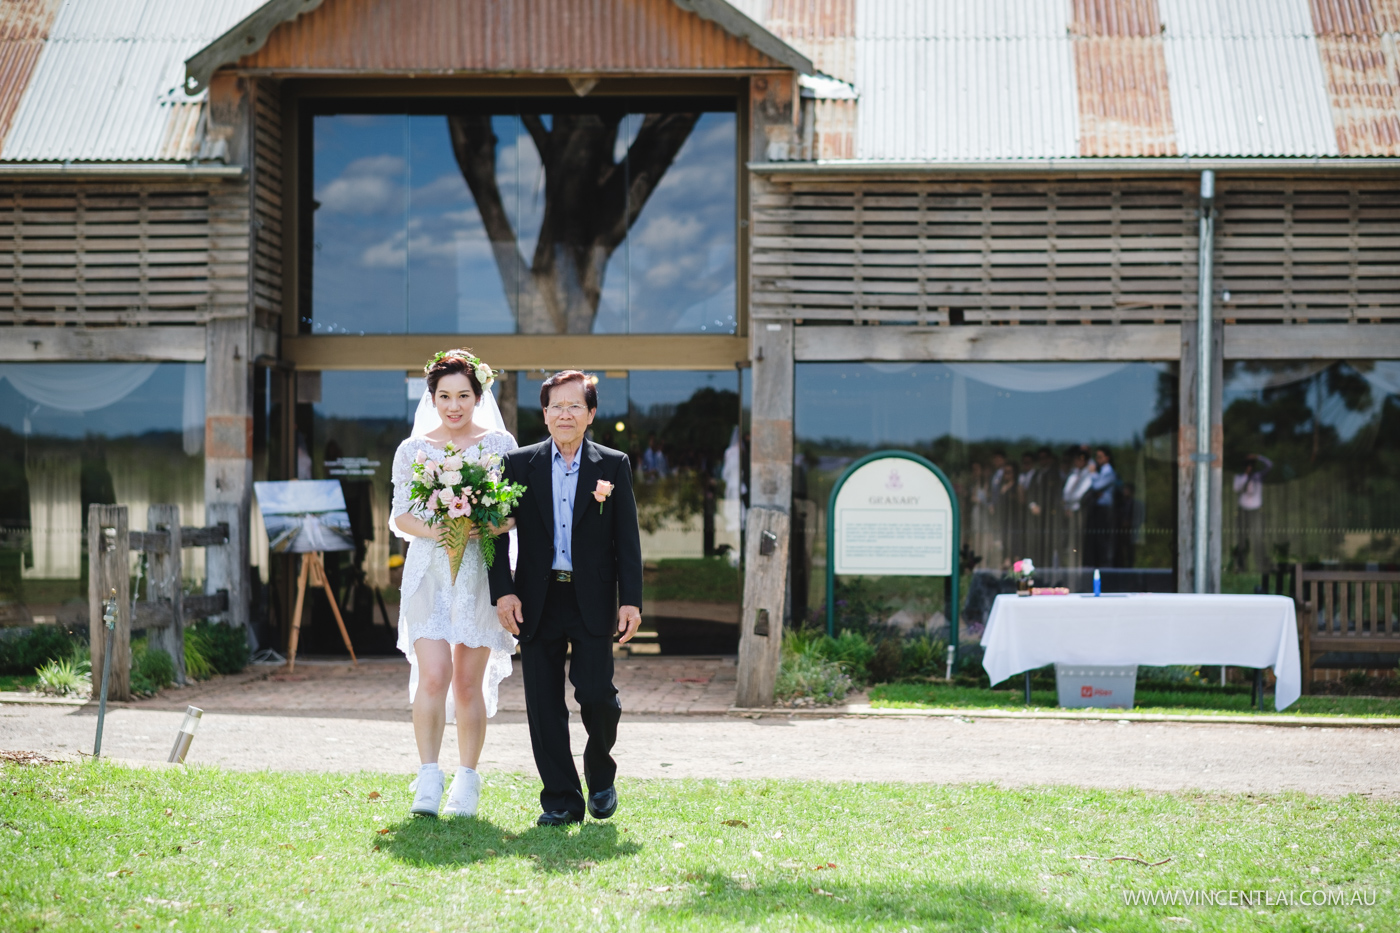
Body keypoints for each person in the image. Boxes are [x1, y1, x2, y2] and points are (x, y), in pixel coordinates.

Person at [489, 371, 644, 826]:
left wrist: (630, 600)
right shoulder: (518, 465)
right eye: (556, 405)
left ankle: (600, 774)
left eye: (574, 405)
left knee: (597, 696)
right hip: (535, 600)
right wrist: (503, 592)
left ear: (590, 414)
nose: (564, 414)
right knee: (543, 704)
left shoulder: (612, 465)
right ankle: (560, 798)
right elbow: (495, 534)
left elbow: (626, 539)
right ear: (544, 413)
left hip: (592, 598)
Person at [388, 349, 518, 819]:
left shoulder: (500, 445)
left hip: (478, 573)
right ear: (432, 398)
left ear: (478, 396)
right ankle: (427, 775)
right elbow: (400, 515)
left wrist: (486, 523)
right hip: (428, 574)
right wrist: (436, 528)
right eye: (444, 396)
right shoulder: (413, 449)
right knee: (434, 675)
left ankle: (467, 779)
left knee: (467, 683)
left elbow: (513, 513)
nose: (454, 405)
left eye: (463, 395)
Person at [1233, 453, 1273, 572]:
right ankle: (1241, 566)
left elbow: (1270, 465)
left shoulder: (1258, 476)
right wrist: (1246, 476)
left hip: (1256, 510)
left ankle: (1261, 565)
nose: (1249, 467)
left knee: (1258, 539)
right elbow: (1236, 488)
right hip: (1243, 510)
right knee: (1242, 539)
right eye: (1247, 465)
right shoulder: (1239, 477)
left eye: (1251, 465)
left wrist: (1258, 457)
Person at [1084, 446, 1118, 569]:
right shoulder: (1102, 472)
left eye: (1100, 457)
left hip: (1105, 509)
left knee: (1104, 540)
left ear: (1107, 458)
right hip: (1099, 509)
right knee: (1097, 540)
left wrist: (1093, 474)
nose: (1097, 460)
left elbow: (1097, 486)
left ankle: (1106, 567)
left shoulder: (1109, 472)